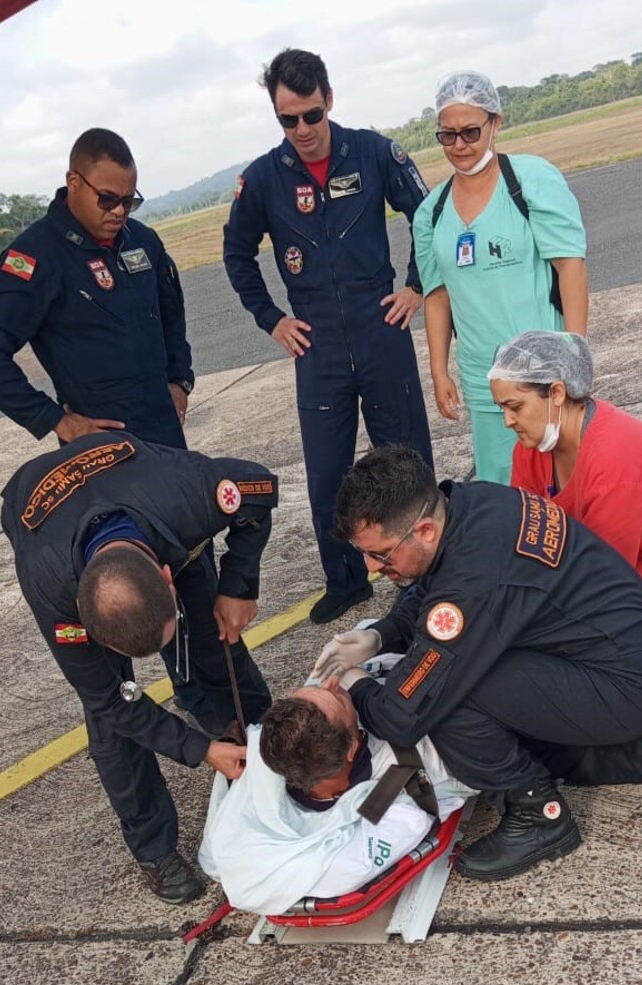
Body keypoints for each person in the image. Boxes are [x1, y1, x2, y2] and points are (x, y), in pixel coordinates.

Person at [311, 446, 642, 881]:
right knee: (487, 703)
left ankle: (538, 816)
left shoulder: (473, 580)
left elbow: (401, 717)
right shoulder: (473, 504)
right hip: (622, 652)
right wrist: (382, 633)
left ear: (424, 529)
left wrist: (358, 683)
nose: (372, 568)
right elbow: (434, 589)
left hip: (622, 682)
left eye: (380, 555)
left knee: (447, 700)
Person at [0, 430, 278, 903]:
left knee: (212, 640)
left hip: (145, 502)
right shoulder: (52, 592)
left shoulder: (190, 496)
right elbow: (109, 701)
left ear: (168, 575)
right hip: (42, 512)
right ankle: (153, 849)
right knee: (113, 721)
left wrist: (238, 584)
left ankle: (263, 747)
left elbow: (261, 491)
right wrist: (197, 749)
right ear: (84, 620)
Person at [223, 48, 434, 624]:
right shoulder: (264, 178)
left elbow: (428, 214)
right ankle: (345, 580)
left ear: (329, 99)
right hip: (316, 344)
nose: (302, 130)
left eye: (311, 115)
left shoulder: (372, 151)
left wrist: (416, 284)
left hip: (380, 325)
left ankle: (427, 570)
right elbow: (237, 254)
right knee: (327, 472)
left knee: (407, 457)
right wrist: (272, 318)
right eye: (288, 119)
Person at [487, 329, 642, 701]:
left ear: (556, 392)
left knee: (593, 632)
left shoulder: (614, 459)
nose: (508, 420)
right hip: (638, 554)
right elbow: (523, 531)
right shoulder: (532, 447)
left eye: (515, 406)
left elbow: (604, 578)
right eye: (503, 409)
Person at [0, 128, 194, 449]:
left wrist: (179, 379)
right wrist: (54, 419)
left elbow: (171, 311)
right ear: (74, 183)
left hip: (165, 434)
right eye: (107, 199)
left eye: (129, 201)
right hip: (100, 445)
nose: (119, 211)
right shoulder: (37, 256)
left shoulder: (142, 240)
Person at [413, 70, 588, 484]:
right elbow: (437, 296)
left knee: (563, 489)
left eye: (471, 132)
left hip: (546, 376)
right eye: (447, 135)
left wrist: (576, 353)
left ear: (496, 123)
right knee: (503, 493)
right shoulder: (431, 213)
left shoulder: (531, 182)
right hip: (485, 383)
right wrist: (439, 371)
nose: (459, 145)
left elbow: (570, 266)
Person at [199, 677, 475, 915]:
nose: (333, 682)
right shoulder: (406, 777)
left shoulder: (279, 754)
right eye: (337, 699)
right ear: (352, 749)